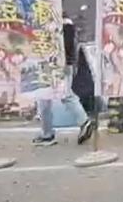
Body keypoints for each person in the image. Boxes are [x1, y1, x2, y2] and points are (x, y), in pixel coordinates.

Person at [33, 14, 95, 146]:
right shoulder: (64, 23)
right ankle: (47, 133)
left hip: (57, 65)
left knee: (62, 95)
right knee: (47, 97)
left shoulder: (61, 24)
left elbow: (65, 48)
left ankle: (83, 122)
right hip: (60, 64)